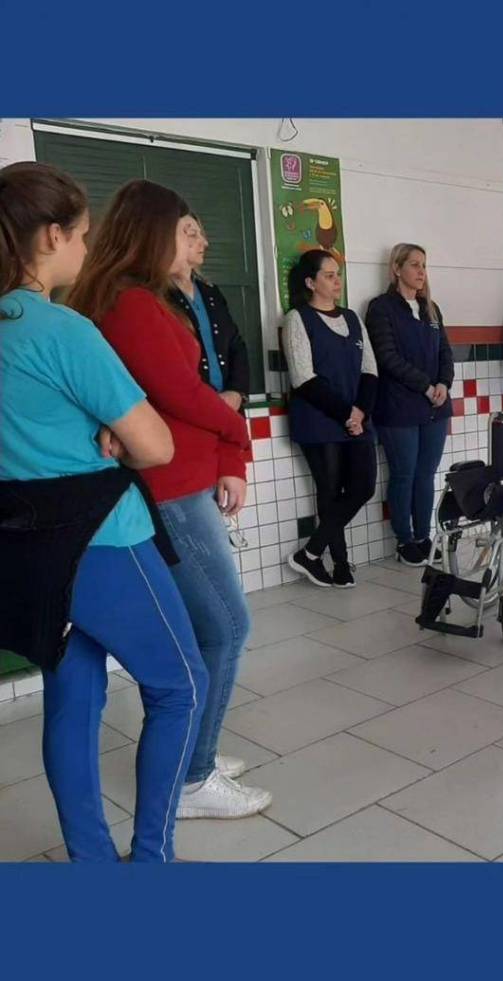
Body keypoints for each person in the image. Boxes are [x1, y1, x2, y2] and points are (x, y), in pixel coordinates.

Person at [0, 161, 208, 862]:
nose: (88, 248)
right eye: (83, 234)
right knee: (181, 684)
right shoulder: (62, 331)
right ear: (50, 236)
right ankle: (151, 862)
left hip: (28, 550)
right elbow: (156, 445)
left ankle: (92, 866)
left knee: (74, 698)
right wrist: (117, 431)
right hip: (104, 542)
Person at [68, 179, 271, 820]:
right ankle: (192, 778)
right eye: (185, 231)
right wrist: (238, 433)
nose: (198, 243)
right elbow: (181, 393)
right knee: (227, 626)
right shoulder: (130, 303)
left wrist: (229, 452)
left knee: (206, 629)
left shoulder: (152, 297)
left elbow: (187, 392)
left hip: (183, 478)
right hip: (170, 488)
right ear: (154, 233)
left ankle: (190, 756)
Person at [281, 250, 378, 588]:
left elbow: (370, 370)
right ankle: (339, 564)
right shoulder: (297, 319)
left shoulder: (352, 318)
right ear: (311, 282)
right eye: (329, 275)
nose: (338, 281)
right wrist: (346, 413)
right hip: (319, 420)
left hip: (356, 419)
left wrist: (360, 412)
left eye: (338, 274)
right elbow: (303, 378)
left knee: (363, 487)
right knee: (330, 492)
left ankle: (310, 553)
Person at [365, 243, 453, 567]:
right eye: (414, 264)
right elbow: (387, 358)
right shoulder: (381, 308)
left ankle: (423, 536)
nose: (421, 271)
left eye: (423, 265)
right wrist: (426, 386)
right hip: (399, 407)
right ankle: (404, 539)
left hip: (434, 407)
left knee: (426, 474)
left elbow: (445, 353)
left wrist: (443, 384)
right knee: (404, 473)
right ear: (396, 268)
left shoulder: (431, 308)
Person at [168, 212, 250, 411]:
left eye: (201, 234)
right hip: (188, 411)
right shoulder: (157, 296)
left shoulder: (209, 292)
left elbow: (235, 344)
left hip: (228, 410)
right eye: (192, 235)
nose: (204, 243)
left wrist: (236, 392)